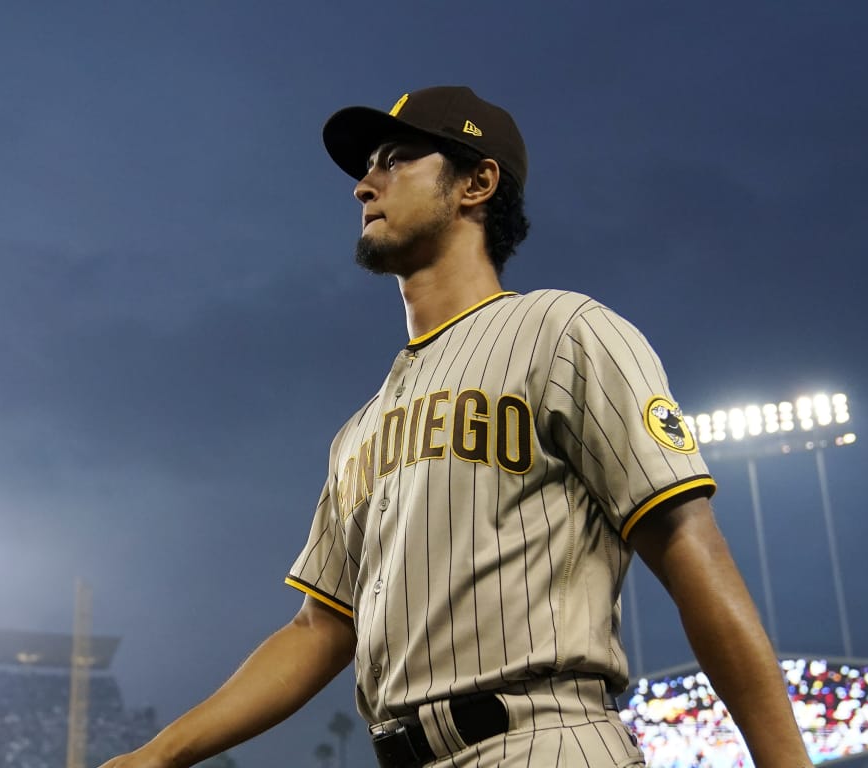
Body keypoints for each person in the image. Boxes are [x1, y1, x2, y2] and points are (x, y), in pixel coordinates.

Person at [100, 86, 811, 768]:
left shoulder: (563, 332)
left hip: (544, 740)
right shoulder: (359, 430)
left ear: (477, 183)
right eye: (366, 166)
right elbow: (319, 629)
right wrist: (160, 752)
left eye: (396, 158)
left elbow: (689, 542)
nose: (363, 185)